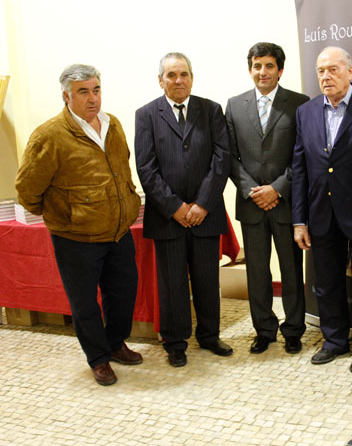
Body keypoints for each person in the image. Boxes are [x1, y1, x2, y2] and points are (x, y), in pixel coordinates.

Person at [15, 64, 143, 386]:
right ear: (66, 96)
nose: (92, 98)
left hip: (118, 232)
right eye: (83, 92)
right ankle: (98, 358)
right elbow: (28, 189)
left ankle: (115, 342)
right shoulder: (49, 135)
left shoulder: (113, 125)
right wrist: (64, 215)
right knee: (84, 302)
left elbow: (122, 169)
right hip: (75, 237)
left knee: (123, 293)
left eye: (96, 90)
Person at [135, 52, 231, 367]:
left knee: (207, 279)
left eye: (184, 74)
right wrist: (175, 207)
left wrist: (202, 204)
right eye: (171, 75)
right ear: (160, 80)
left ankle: (210, 336)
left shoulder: (211, 110)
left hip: (206, 214)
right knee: (172, 283)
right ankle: (175, 342)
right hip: (167, 218)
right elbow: (146, 167)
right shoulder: (146, 115)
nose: (179, 80)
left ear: (192, 77)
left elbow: (221, 159)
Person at [292, 46, 352, 373]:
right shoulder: (306, 112)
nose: (326, 76)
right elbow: (300, 167)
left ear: (350, 71)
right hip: (321, 211)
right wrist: (299, 220)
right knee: (327, 282)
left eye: (333, 69)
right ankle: (334, 341)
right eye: (321, 71)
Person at [226, 42, 309, 354]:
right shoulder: (234, 105)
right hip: (251, 205)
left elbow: (303, 155)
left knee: (291, 271)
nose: (263, 72)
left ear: (280, 70)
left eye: (269, 66)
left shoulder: (299, 104)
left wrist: (277, 188)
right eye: (257, 66)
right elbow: (229, 157)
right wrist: (253, 190)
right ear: (250, 69)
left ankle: (294, 330)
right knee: (257, 272)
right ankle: (264, 329)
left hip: (286, 203)